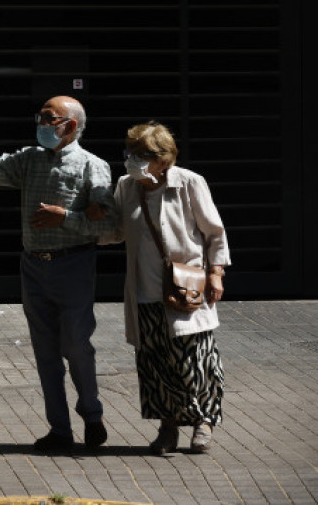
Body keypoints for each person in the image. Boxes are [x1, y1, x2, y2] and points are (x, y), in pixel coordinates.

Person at [0, 95, 117, 451]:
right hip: (34, 264)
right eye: (41, 117)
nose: (41, 124)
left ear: (71, 126)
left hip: (73, 264)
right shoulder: (30, 159)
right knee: (45, 351)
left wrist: (65, 217)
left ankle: (92, 415)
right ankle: (60, 430)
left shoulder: (90, 166)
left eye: (50, 119)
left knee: (77, 345)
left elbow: (107, 221)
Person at [88, 121, 230, 454]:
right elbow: (119, 230)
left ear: (164, 158)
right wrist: (85, 229)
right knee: (154, 362)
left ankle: (203, 421)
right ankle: (168, 427)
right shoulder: (127, 186)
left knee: (195, 360)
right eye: (131, 152)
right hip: (144, 290)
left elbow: (214, 232)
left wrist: (216, 273)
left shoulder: (189, 183)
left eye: (143, 154)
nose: (133, 159)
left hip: (186, 288)